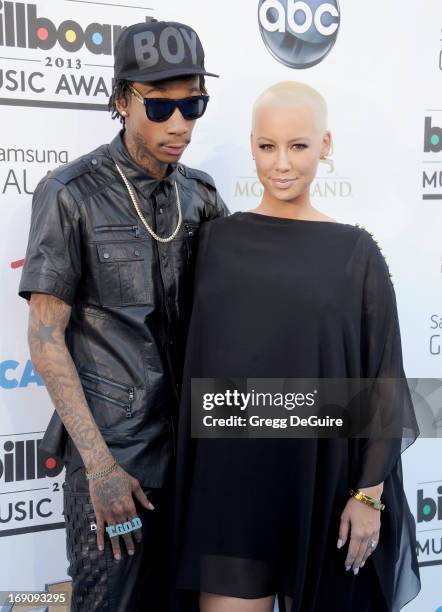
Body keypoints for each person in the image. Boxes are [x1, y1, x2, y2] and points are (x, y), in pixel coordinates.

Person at [173, 81, 421, 611]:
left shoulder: (357, 253)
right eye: (267, 146)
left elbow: (384, 382)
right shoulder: (216, 241)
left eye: (298, 146)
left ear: (325, 145)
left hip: (322, 483)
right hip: (230, 489)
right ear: (252, 146)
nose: (281, 163)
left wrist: (368, 496)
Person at [18, 18, 228, 612]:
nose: (180, 124)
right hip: (115, 468)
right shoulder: (70, 193)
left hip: (193, 456)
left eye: (194, 104)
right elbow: (46, 338)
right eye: (161, 107)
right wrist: (101, 469)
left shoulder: (202, 196)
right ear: (120, 100)